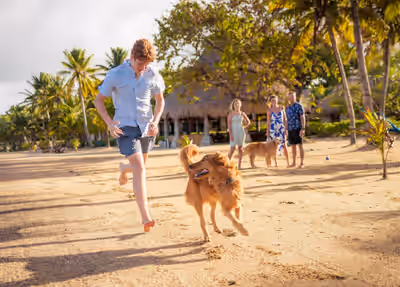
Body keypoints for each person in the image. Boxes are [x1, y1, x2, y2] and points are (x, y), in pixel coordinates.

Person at [94, 39, 165, 232]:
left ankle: (124, 168)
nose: (143, 68)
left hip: (146, 127)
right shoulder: (116, 74)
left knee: (138, 166)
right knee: (140, 168)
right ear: (132, 58)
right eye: (141, 64)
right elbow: (99, 100)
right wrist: (109, 123)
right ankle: (145, 216)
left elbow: (160, 101)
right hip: (124, 127)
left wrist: (155, 122)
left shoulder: (153, 73)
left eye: (147, 64)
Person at [266, 96, 289, 168]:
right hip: (273, 129)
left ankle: (288, 162)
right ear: (270, 101)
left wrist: (286, 129)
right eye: (272, 100)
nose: (274, 101)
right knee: (271, 147)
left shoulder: (281, 108)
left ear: (277, 100)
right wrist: (268, 132)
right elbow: (268, 122)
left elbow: (285, 120)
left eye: (275, 100)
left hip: (281, 129)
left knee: (284, 144)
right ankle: (273, 163)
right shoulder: (269, 111)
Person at [227, 99, 250, 170]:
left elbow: (248, 122)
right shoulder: (231, 114)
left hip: (240, 132)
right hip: (233, 132)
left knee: (240, 149)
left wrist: (243, 126)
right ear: (233, 105)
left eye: (238, 104)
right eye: (235, 104)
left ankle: (239, 165)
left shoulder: (242, 113)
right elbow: (229, 125)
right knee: (232, 148)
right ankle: (227, 164)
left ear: (240, 105)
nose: (237, 105)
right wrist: (230, 135)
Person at [285, 91, 305, 168]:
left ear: (295, 97)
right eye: (290, 97)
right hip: (290, 128)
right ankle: (293, 162)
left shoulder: (299, 106)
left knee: (300, 145)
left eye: (293, 96)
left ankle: (301, 162)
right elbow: (286, 119)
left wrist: (303, 128)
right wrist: (286, 129)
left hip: (298, 127)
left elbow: (302, 117)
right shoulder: (287, 107)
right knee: (292, 146)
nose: (291, 98)